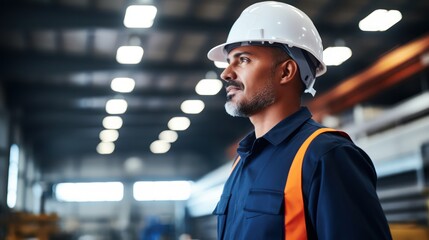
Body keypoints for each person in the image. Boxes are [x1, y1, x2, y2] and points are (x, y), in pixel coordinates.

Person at [206, 1, 392, 240]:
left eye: (243, 60)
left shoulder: (327, 156)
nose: (226, 73)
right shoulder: (241, 161)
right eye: (228, 61)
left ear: (286, 72)